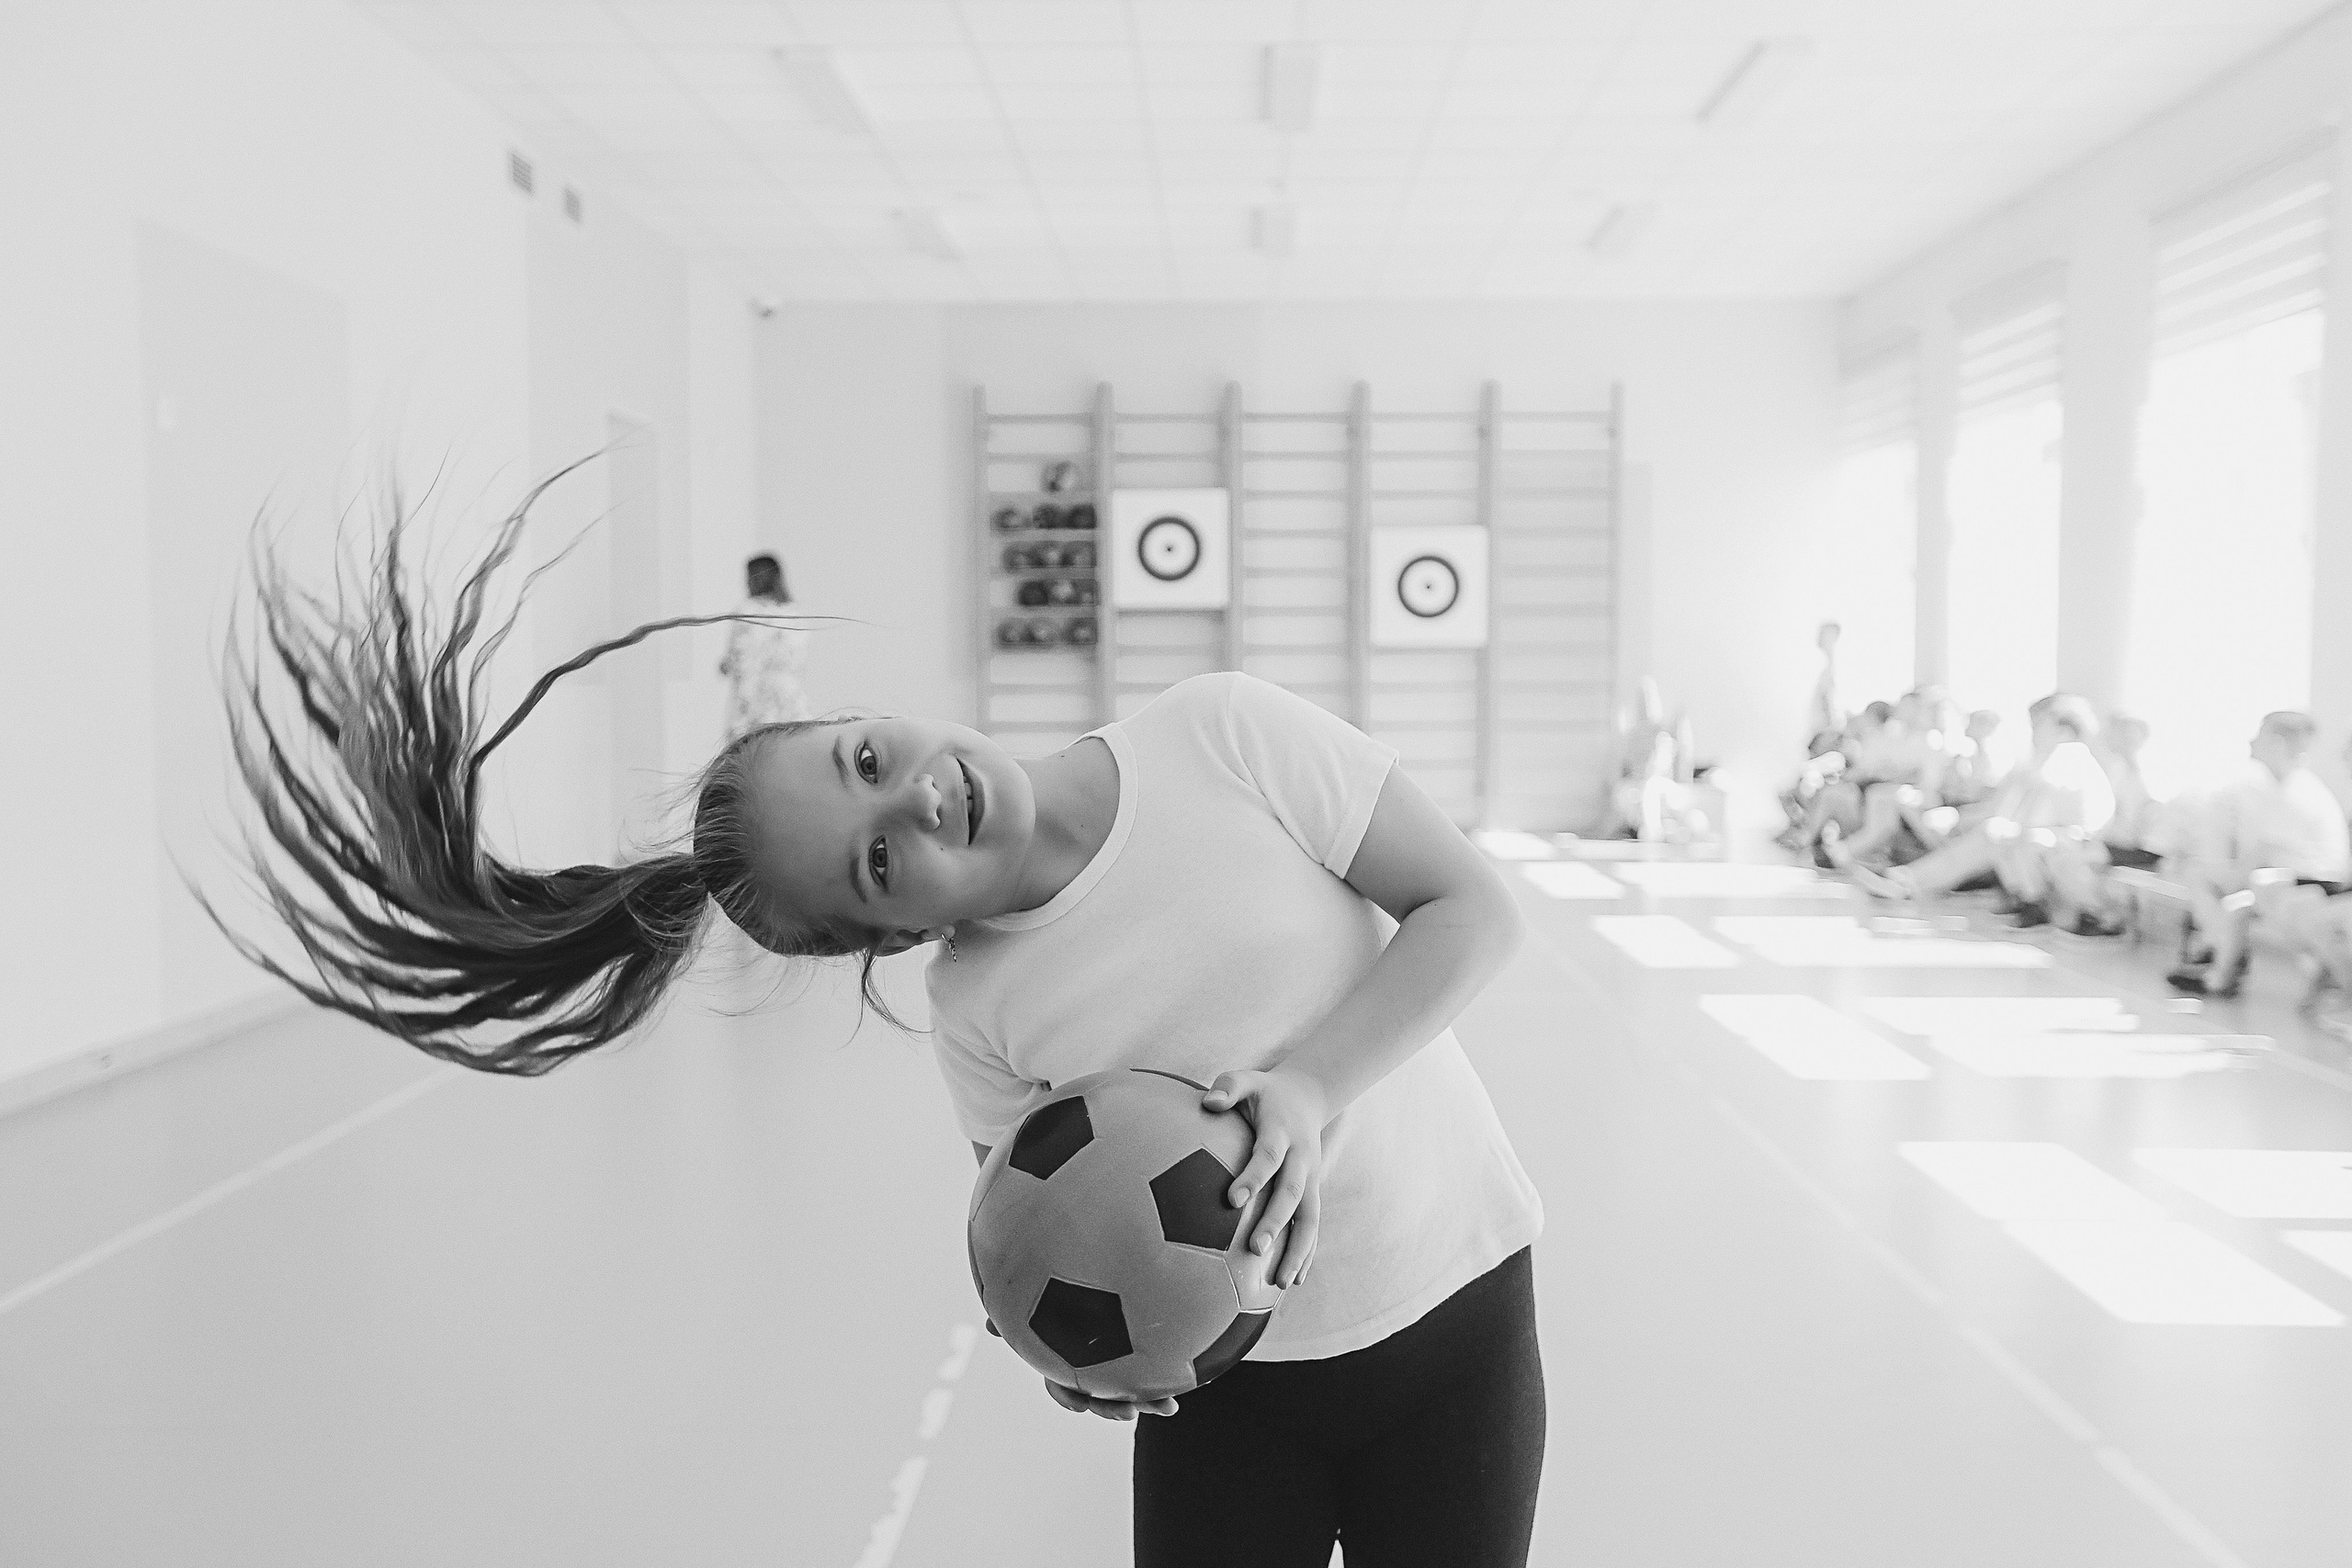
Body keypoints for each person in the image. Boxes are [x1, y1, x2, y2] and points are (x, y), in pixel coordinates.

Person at [206, 497, 1550, 1568]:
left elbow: (1472, 907)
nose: (913, 802)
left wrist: (1313, 1086)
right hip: (1232, 1396)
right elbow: (1047, 1221)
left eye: (863, 760)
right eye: (879, 865)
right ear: (897, 938)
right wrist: (1070, 1347)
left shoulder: (1224, 734)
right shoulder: (977, 1009)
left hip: (1456, 1310)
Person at [1833, 693, 2114, 929]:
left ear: (2064, 730)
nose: (2034, 731)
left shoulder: (2070, 758)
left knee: (1994, 833)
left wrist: (1975, 821)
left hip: (2072, 841)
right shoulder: (2043, 761)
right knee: (1990, 832)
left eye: (2040, 724)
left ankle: (1906, 882)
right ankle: (1905, 880)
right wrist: (1958, 818)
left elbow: (2033, 812)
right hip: (2042, 836)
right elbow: (2006, 808)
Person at [2165, 711, 2349, 998]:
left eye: (2259, 735)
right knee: (2221, 893)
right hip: (2286, 881)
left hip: (2311, 886)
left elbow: (2267, 854)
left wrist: (2229, 883)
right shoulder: (2278, 785)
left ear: (2276, 742)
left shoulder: (2298, 791)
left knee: (2219, 890)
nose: (2251, 742)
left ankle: (2214, 956)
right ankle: (2218, 965)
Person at [720, 552, 814, 738]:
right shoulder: (795, 613)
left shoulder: (747, 611)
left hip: (753, 706)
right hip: (790, 704)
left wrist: (725, 665)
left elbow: (737, 659)